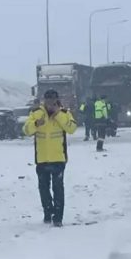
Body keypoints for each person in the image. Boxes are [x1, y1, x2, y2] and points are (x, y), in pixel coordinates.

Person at [22, 90, 78, 227]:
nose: (50, 102)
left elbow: (72, 129)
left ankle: (58, 217)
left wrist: (58, 114)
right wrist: (36, 124)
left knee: (58, 188)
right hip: (42, 159)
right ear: (44, 100)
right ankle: (48, 212)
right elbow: (26, 130)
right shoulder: (36, 113)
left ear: (57, 100)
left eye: (53, 99)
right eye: (48, 99)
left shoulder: (64, 113)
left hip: (58, 158)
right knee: (43, 189)